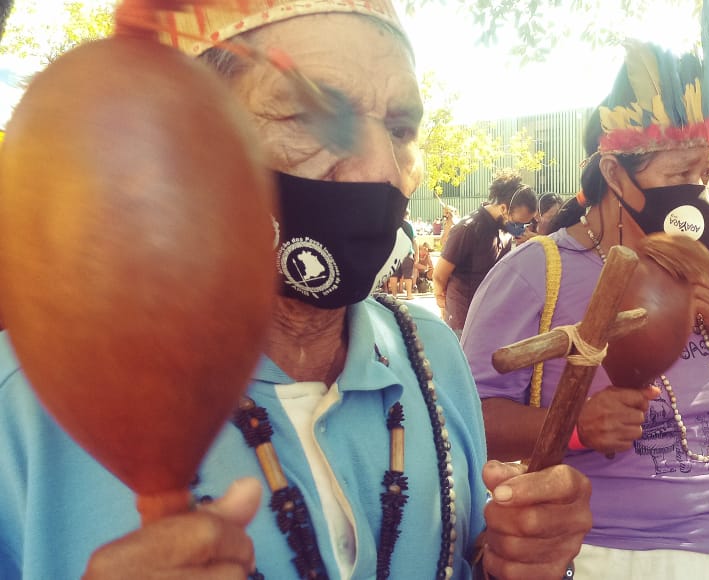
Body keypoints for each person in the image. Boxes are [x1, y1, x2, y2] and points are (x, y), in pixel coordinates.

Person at [0, 2, 592, 578]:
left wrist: (514, 564)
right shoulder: (26, 405)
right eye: (311, 118)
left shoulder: (432, 354)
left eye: (400, 128)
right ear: (187, 136)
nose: (377, 171)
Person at [460, 42, 709, 579]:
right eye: (679, 175)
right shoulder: (538, 270)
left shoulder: (699, 269)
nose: (698, 193)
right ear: (616, 175)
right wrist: (576, 425)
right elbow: (469, 418)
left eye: (705, 172)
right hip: (593, 552)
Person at [433, 172, 537, 333]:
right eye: (518, 222)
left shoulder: (505, 229)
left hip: (492, 318)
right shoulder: (467, 229)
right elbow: (439, 275)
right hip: (464, 322)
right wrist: (443, 304)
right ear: (503, 208)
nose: (522, 228)